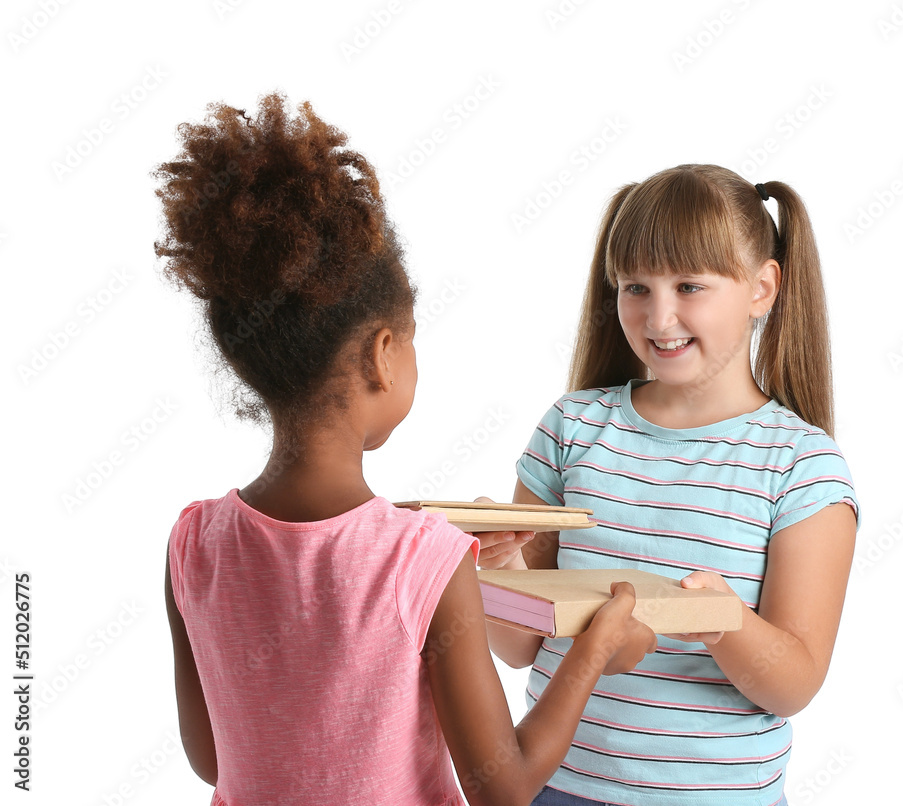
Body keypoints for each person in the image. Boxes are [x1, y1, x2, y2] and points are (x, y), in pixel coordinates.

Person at [156, 93, 657, 806]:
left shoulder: (192, 543)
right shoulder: (424, 557)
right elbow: (505, 787)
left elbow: (214, 758)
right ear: (382, 356)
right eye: (413, 339)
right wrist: (592, 650)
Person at [481, 165, 859, 806]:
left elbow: (793, 683)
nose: (659, 316)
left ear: (762, 288)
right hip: (555, 784)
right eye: (636, 287)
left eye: (689, 285)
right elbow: (518, 647)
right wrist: (500, 563)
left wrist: (724, 623)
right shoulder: (572, 428)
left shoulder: (801, 465)